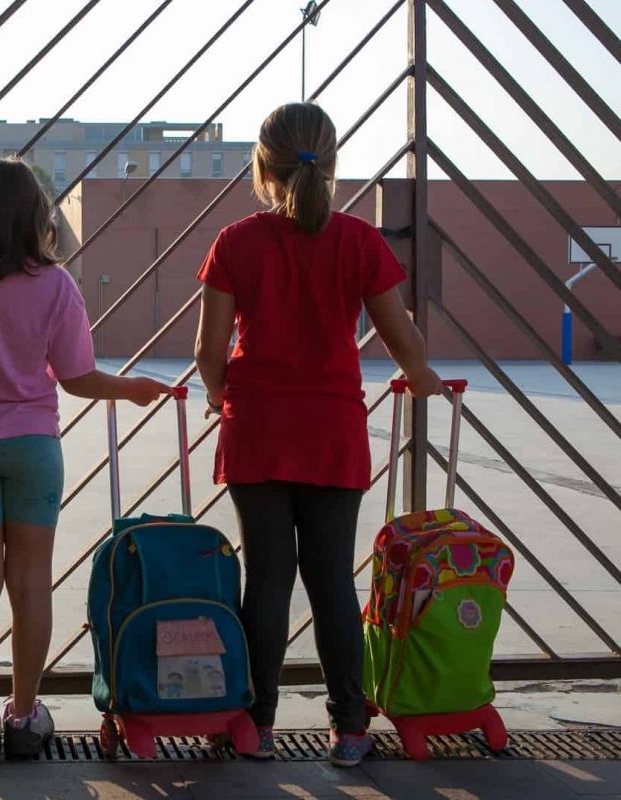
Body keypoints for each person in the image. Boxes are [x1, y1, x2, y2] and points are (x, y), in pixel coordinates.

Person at [193, 103, 443, 768]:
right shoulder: (360, 242)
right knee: (332, 580)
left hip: (258, 431)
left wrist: (223, 397)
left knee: (267, 580)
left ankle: (256, 724)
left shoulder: (235, 242)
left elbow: (208, 352)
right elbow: (403, 342)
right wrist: (423, 378)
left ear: (261, 166)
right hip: (333, 431)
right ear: (330, 164)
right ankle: (350, 726)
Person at [0, 158, 171, 760]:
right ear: (38, 215)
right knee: (32, 586)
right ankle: (27, 716)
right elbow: (78, 378)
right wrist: (131, 387)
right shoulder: (57, 284)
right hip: (35, 448)